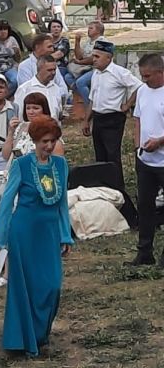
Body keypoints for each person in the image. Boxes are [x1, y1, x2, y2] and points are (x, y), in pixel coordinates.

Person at [0, 116, 73, 356]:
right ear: (35, 140)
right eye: (45, 141)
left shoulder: (61, 165)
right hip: (24, 232)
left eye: (53, 140)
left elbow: (63, 204)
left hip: (49, 233)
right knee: (24, 286)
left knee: (52, 286)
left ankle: (40, 333)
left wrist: (65, 235)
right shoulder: (22, 164)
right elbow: (7, 200)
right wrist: (2, 236)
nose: (49, 145)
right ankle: (22, 340)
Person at [84, 39, 140, 225]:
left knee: (112, 156)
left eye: (97, 57)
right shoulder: (96, 74)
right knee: (100, 156)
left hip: (113, 119)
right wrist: (87, 119)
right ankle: (103, 190)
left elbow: (138, 86)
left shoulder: (119, 73)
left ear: (108, 57)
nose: (94, 60)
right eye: (93, 56)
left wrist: (127, 105)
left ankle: (118, 192)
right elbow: (93, 98)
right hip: (98, 118)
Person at [131, 53, 164, 266]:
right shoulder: (143, 91)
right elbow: (138, 119)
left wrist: (159, 141)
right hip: (145, 161)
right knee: (145, 206)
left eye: (148, 76)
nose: (144, 80)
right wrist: (137, 147)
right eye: (142, 75)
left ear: (161, 73)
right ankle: (144, 252)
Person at [2, 93, 65, 161]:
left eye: (35, 108)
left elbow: (58, 159)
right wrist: (10, 132)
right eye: (28, 108)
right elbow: (6, 156)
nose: (31, 112)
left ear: (44, 109)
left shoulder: (50, 128)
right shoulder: (20, 127)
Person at [16, 34, 68, 103]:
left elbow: (64, 89)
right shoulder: (24, 66)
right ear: (37, 47)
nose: (52, 50)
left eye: (52, 47)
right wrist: (50, 94)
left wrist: (52, 95)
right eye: (49, 47)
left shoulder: (52, 64)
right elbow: (28, 92)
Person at [14, 56, 65, 122]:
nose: (53, 73)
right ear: (39, 69)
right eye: (49, 70)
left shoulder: (56, 88)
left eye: (54, 70)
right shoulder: (24, 89)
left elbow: (58, 113)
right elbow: (19, 115)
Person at [70, 21, 105, 105]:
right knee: (68, 77)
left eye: (91, 28)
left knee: (80, 82)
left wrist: (80, 62)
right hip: (86, 68)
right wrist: (77, 41)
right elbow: (79, 56)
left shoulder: (102, 41)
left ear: (98, 30)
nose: (88, 30)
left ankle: (89, 106)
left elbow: (94, 58)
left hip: (98, 69)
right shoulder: (88, 41)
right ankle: (85, 97)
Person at [48, 19, 74, 90]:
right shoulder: (46, 41)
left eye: (58, 27)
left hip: (60, 67)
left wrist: (43, 58)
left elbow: (58, 55)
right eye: (54, 27)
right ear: (49, 29)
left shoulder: (64, 41)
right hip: (46, 66)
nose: (56, 29)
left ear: (61, 29)